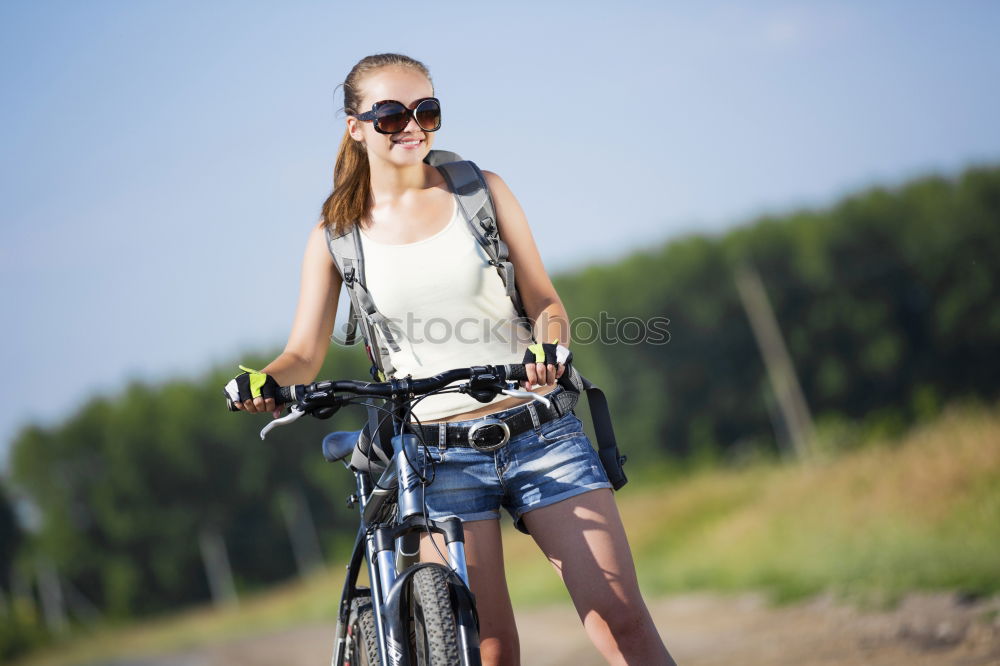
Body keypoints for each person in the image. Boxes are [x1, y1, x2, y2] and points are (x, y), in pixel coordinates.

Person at [229, 53, 676, 666]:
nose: (412, 125)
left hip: (539, 426)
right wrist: (266, 383)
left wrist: (551, 344)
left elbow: (543, 298)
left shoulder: (480, 191)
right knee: (487, 649)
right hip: (435, 455)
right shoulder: (336, 235)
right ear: (356, 125)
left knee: (621, 622)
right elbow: (302, 353)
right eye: (390, 114)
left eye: (426, 110)